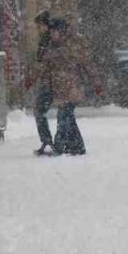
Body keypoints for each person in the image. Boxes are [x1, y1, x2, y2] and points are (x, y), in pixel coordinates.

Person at [29, 17, 103, 156]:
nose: (52, 34)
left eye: (54, 31)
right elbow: (43, 65)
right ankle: (77, 146)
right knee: (68, 118)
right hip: (58, 88)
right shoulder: (52, 46)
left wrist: (97, 83)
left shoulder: (75, 44)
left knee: (63, 116)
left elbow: (88, 64)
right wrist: (31, 78)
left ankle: (59, 145)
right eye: (51, 32)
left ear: (62, 31)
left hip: (72, 88)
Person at [31, 10, 56, 156]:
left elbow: (43, 61)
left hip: (50, 81)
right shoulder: (46, 39)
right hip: (48, 80)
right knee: (40, 111)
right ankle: (47, 141)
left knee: (39, 110)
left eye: (39, 26)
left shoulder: (48, 40)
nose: (37, 29)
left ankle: (47, 141)